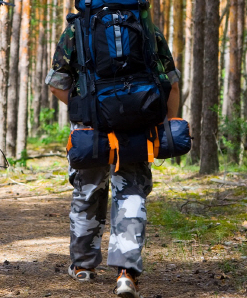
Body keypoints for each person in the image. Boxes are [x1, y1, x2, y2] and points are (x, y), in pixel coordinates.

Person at [46, 17, 180, 297]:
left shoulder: (78, 28)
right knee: (131, 193)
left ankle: (83, 266)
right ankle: (126, 273)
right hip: (138, 127)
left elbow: (57, 85)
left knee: (88, 191)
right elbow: (172, 84)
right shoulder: (146, 27)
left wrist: (87, 110)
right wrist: (167, 124)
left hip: (90, 129)